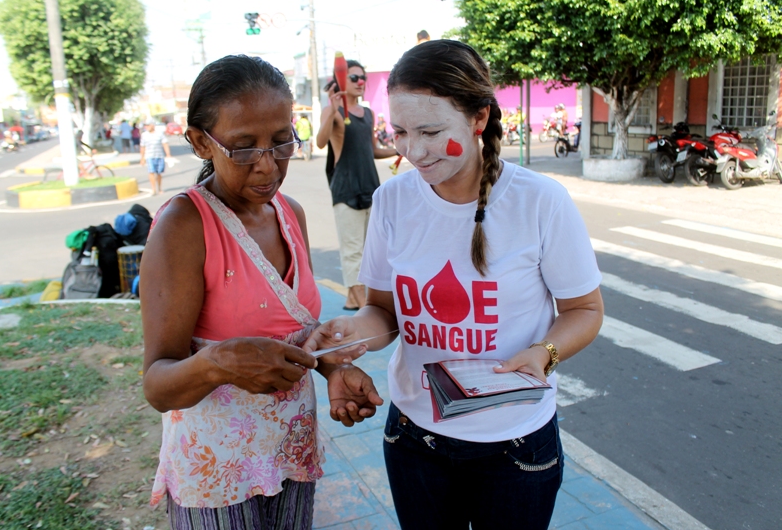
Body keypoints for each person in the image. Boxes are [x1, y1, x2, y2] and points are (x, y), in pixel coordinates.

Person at [303, 40, 604, 530]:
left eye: (431, 130)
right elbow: (384, 311)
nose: (413, 150)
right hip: (414, 439)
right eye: (399, 131)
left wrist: (542, 353)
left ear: (478, 119)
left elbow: (585, 310)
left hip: (516, 447)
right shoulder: (393, 201)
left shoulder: (540, 201)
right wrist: (351, 334)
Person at [140, 54, 382, 530]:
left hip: (290, 453)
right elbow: (157, 385)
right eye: (244, 147)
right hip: (217, 478)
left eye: (281, 141)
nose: (268, 166)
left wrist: (332, 368)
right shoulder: (184, 227)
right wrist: (217, 362)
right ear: (199, 142)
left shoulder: (290, 213)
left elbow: (293, 324)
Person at [315, 59, 398, 311]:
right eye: (354, 78)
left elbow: (372, 149)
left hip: (370, 186)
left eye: (363, 77)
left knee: (373, 247)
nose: (361, 82)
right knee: (353, 249)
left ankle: (355, 298)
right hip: (345, 187)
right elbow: (320, 141)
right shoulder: (335, 112)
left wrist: (399, 149)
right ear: (341, 81)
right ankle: (360, 300)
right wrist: (331, 107)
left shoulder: (368, 113)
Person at [139, 122, 172, 195]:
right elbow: (142, 147)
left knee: (159, 173)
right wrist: (142, 158)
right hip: (149, 156)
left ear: (152, 125)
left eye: (148, 125)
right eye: (146, 125)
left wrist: (168, 154)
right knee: (151, 172)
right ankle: (153, 189)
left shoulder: (159, 134)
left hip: (159, 156)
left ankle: (159, 188)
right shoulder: (144, 135)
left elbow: (165, 143)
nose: (147, 127)